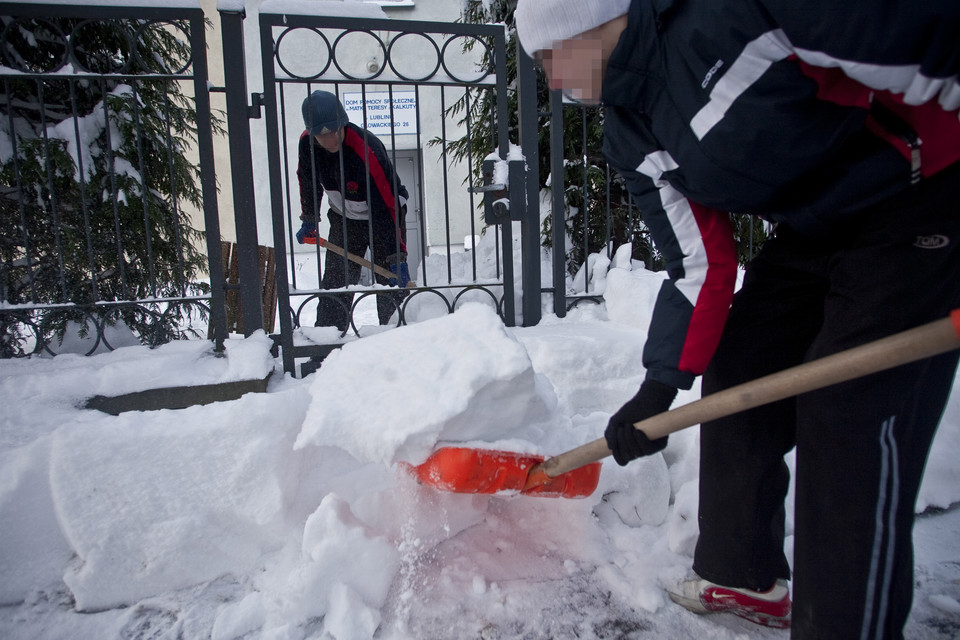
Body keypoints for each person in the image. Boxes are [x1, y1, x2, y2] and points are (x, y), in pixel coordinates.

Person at [515, 0, 960, 637]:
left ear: (592, 26)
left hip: (918, 194)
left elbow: (928, 39)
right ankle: (744, 573)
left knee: (849, 412)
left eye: (552, 60)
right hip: (817, 226)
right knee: (739, 368)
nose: (554, 81)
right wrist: (657, 390)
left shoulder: (735, 19)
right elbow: (698, 265)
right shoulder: (630, 134)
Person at [296, 90, 410, 331]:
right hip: (344, 217)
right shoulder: (307, 145)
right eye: (322, 135)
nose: (330, 140)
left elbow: (386, 205)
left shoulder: (365, 149)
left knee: (389, 282)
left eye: (334, 131)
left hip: (383, 215)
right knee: (336, 281)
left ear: (343, 123)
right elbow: (308, 181)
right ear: (312, 132)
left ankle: (396, 339)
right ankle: (326, 343)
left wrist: (396, 255)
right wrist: (309, 218)